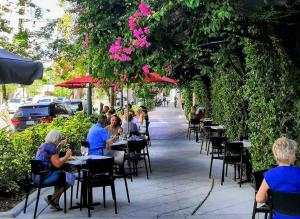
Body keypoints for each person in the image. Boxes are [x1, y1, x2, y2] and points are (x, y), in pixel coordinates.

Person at [256, 137, 300, 219]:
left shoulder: (269, 175)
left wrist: (266, 198)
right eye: (294, 153)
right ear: (290, 156)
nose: (295, 155)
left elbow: (259, 199)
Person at [35, 130, 72, 210]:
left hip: (36, 176)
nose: (61, 139)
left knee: (62, 177)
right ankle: (51, 198)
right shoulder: (51, 148)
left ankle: (55, 203)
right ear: (57, 139)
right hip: (44, 177)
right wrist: (67, 156)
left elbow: (55, 158)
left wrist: (59, 146)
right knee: (69, 178)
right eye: (60, 138)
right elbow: (57, 164)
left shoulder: (44, 145)